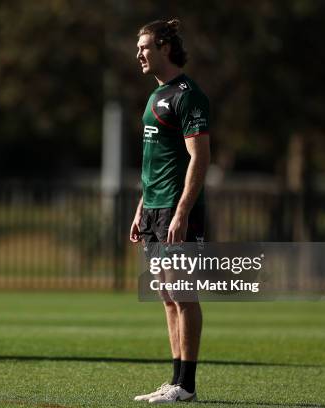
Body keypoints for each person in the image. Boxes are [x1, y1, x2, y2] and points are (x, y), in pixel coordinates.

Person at [130, 18, 210, 404]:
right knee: (165, 295)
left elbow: (199, 159)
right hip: (154, 210)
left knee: (184, 295)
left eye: (145, 47)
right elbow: (154, 160)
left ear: (165, 47)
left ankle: (187, 385)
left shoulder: (188, 94)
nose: (139, 54)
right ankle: (175, 379)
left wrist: (182, 212)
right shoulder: (154, 95)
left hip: (178, 212)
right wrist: (141, 208)